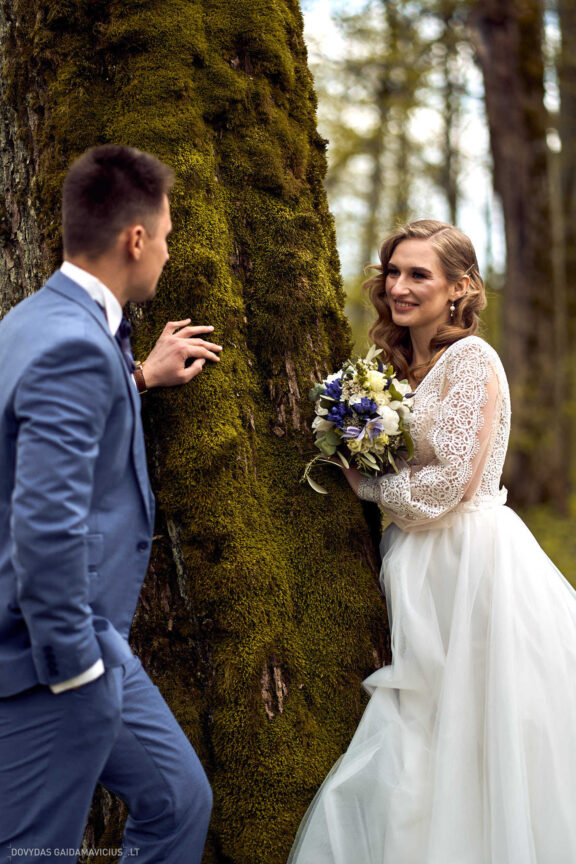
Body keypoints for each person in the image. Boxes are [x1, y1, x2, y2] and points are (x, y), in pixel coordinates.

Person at [288, 219, 576, 864]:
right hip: (410, 557)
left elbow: (449, 485)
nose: (400, 286)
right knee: (425, 726)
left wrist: (363, 484)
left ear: (459, 287)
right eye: (393, 271)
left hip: (468, 559)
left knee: (463, 721)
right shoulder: (388, 368)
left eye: (419, 274)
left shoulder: (471, 360)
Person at [0, 145, 219, 863]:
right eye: (166, 235)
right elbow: (45, 524)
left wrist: (139, 379)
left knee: (178, 801)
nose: (165, 250)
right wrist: (76, 669)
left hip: (86, 645)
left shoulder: (32, 321)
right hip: (47, 657)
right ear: (135, 239)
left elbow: (44, 430)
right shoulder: (73, 344)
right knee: (37, 851)